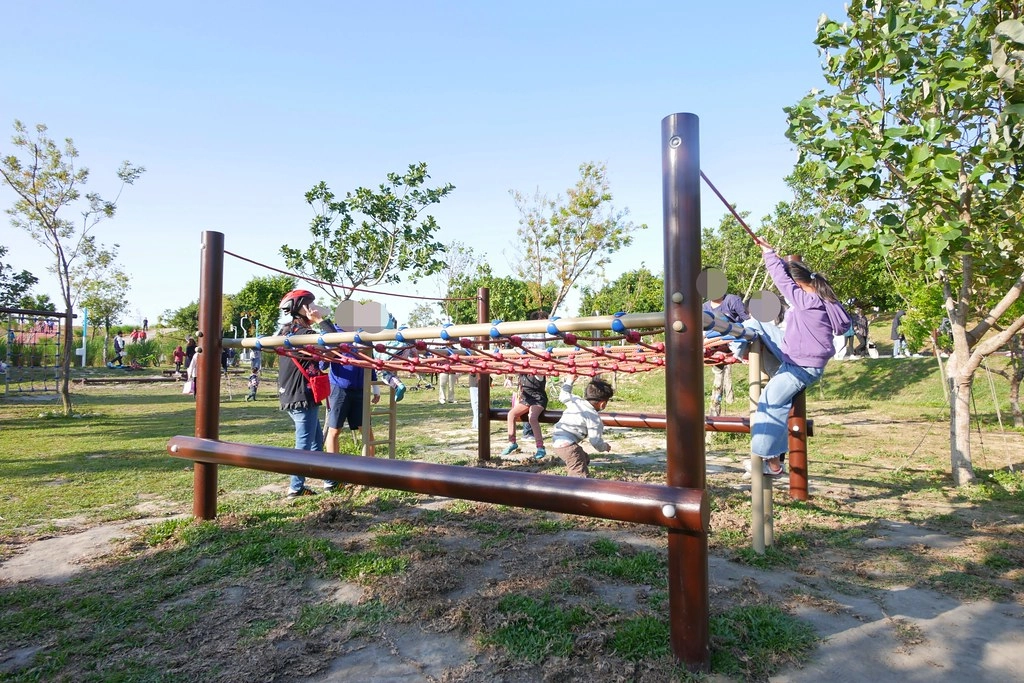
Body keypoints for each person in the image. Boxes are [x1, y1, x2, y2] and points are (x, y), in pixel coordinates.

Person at [745, 238, 850, 477]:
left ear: (797, 284)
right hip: (796, 355)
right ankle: (740, 350)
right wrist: (776, 256)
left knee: (770, 402)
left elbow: (781, 280)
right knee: (755, 323)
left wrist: (768, 254)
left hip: (801, 366)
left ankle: (770, 461)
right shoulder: (819, 298)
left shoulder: (806, 301)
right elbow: (787, 276)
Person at [276, 289, 337, 498]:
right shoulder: (304, 334)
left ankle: (330, 482)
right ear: (303, 307)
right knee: (303, 443)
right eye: (311, 304)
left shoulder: (286, 331)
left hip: (294, 393)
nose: (314, 307)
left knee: (315, 442)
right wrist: (320, 319)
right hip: (301, 393)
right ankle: (295, 487)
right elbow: (336, 341)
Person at [322, 336, 382, 491]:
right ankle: (332, 476)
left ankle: (369, 473)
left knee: (366, 431)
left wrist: (375, 388)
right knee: (334, 430)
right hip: (339, 388)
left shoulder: (365, 337)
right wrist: (335, 347)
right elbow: (322, 364)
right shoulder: (334, 334)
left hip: (361, 389)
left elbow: (371, 362)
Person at [550, 377, 614, 477]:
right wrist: (605, 446)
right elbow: (595, 441)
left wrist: (570, 380)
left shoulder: (576, 401)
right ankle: (572, 489)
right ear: (602, 404)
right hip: (568, 446)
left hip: (556, 440)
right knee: (579, 475)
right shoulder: (593, 417)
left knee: (584, 459)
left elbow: (563, 395)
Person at [702, 290, 749, 414]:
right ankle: (715, 408)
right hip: (713, 342)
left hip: (733, 337)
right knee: (718, 375)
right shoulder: (705, 307)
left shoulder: (732, 300)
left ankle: (737, 353)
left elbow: (747, 321)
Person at [500, 371, 548, 459]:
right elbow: (512, 371)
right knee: (511, 414)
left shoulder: (538, 373)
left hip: (538, 399)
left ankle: (540, 447)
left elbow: (539, 373)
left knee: (532, 418)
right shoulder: (521, 373)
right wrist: (508, 378)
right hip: (526, 400)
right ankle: (512, 442)